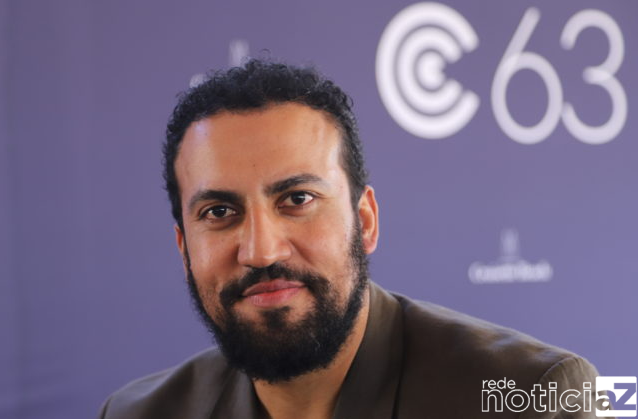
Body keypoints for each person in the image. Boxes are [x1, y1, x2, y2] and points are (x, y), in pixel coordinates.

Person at [98, 59, 605, 419]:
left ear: (365, 221)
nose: (261, 250)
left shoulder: (534, 398)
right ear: (184, 249)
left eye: (297, 199)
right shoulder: (138, 413)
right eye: (219, 212)